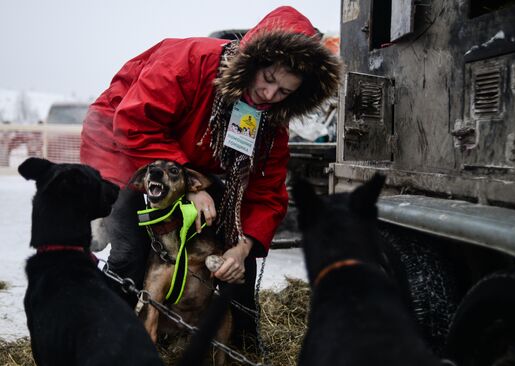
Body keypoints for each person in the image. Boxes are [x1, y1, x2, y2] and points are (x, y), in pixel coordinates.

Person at [80, 6, 341, 346]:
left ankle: (242, 344)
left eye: (284, 93)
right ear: (253, 61)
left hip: (188, 163)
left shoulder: (269, 120)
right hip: (123, 142)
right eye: (269, 80)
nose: (269, 95)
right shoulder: (190, 59)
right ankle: (103, 341)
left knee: (232, 247)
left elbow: (267, 192)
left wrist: (242, 248)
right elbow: (136, 123)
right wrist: (190, 187)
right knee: (131, 251)